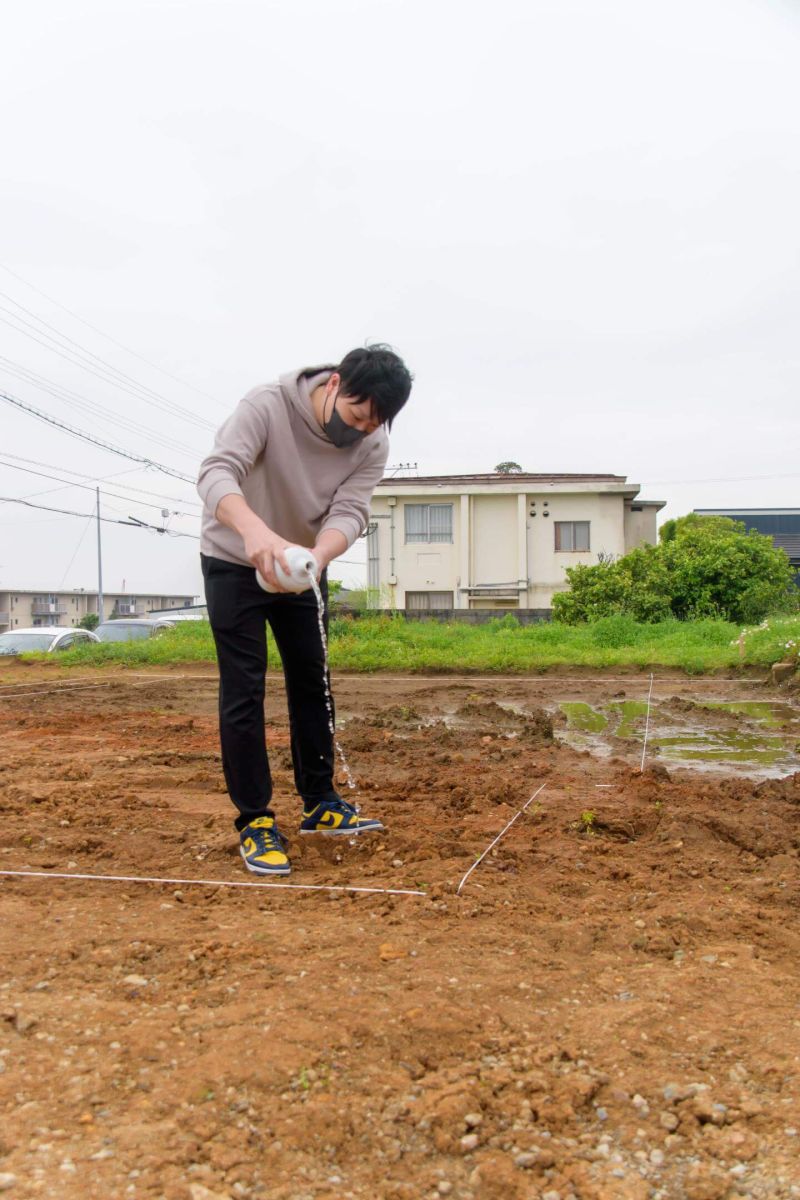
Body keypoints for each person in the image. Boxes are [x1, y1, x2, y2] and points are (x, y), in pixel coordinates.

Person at [197, 345, 413, 877]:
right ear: (336, 384)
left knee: (313, 681)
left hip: (301, 567)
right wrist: (255, 535)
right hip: (233, 558)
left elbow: (350, 509)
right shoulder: (267, 406)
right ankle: (255, 821)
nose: (361, 432)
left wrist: (318, 556)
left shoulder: (373, 441)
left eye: (374, 425)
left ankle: (320, 801)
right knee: (244, 687)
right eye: (357, 417)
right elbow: (215, 473)